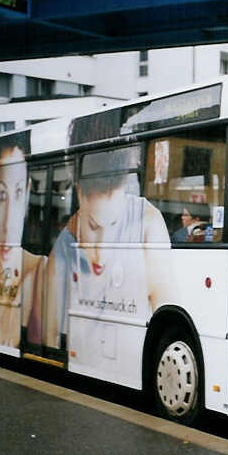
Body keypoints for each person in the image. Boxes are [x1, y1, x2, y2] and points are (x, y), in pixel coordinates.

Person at [43, 121, 177, 351]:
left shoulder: (149, 224)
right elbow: (50, 339)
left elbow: (169, 318)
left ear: (125, 186)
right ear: (78, 192)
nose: (102, 254)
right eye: (93, 226)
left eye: (114, 223)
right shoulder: (64, 248)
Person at [0, 131, 45, 348]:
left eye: (19, 193)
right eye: (3, 196)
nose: (8, 222)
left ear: (29, 193)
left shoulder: (38, 269)